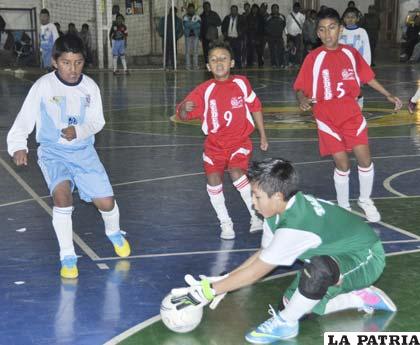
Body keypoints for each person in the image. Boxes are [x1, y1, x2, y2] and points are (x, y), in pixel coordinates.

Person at [171, 158, 397, 344]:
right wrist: (224, 281)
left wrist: (207, 292)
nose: (253, 203)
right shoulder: (279, 211)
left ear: (277, 196)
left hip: (366, 257)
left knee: (317, 272)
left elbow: (256, 272)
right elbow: (264, 253)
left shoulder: (296, 225)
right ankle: (362, 298)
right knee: (293, 306)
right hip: (336, 257)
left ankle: (285, 326)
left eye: (257, 196)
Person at [6, 34, 131, 279]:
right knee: (62, 198)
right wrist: (18, 145)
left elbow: (98, 121)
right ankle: (68, 256)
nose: (72, 69)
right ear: (54, 61)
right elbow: (24, 118)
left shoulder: (90, 88)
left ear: (84, 62)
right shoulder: (43, 86)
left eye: (78, 63)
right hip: (53, 152)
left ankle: (114, 232)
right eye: (66, 63)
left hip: (83, 152)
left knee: (106, 202)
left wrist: (80, 131)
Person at [294, 7, 402, 222]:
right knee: (342, 164)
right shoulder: (313, 58)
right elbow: (299, 87)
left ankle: (365, 200)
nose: (328, 34)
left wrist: (388, 94)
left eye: (332, 28)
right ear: (318, 33)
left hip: (351, 113)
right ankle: (343, 205)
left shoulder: (351, 54)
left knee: (365, 158)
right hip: (326, 117)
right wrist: (302, 99)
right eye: (323, 30)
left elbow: (368, 77)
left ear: (340, 29)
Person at [176, 41, 268, 239]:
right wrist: (185, 109)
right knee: (213, 180)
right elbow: (182, 113)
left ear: (232, 62)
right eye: (214, 59)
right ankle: (225, 223)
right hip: (214, 145)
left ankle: (256, 216)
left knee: (236, 172)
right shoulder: (204, 90)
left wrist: (262, 134)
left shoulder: (242, 83)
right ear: (208, 66)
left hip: (239, 142)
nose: (219, 62)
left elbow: (256, 107)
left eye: (223, 58)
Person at [339, 6, 372, 109]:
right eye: (347, 17)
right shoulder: (340, 31)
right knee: (344, 88)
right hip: (343, 66)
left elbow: (366, 49)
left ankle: (359, 103)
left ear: (357, 18)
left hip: (358, 66)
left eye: (353, 17)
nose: (350, 19)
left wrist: (366, 65)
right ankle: (347, 108)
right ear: (343, 18)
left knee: (357, 88)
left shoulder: (362, 32)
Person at [285, 2, 305, 67]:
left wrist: (301, 34)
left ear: (299, 8)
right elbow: (285, 25)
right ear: (293, 8)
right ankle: (289, 62)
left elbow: (303, 26)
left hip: (297, 35)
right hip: (290, 35)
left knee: (296, 50)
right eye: (295, 8)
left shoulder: (302, 16)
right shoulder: (289, 15)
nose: (296, 9)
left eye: (297, 8)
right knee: (289, 49)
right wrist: (286, 33)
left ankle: (296, 63)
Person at [183, 3, 201, 70]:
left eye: (192, 9)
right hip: (188, 36)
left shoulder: (197, 16)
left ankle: (195, 65)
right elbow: (185, 25)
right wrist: (193, 24)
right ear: (188, 9)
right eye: (189, 9)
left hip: (195, 36)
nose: (191, 10)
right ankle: (188, 66)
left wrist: (190, 24)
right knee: (187, 51)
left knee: (195, 51)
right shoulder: (185, 17)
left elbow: (198, 25)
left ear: (194, 9)